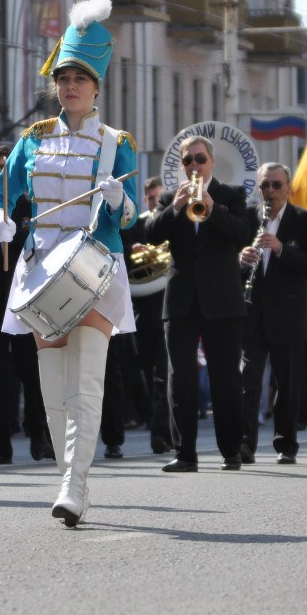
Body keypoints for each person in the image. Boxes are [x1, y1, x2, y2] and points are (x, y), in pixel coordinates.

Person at [0, 0, 139, 526]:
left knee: (87, 381)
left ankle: (76, 484)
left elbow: (132, 214)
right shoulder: (31, 140)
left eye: (79, 79)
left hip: (97, 266)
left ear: (96, 86)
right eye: (63, 78)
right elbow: (0, 194)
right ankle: (66, 473)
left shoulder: (116, 143)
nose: (69, 86)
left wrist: (119, 201)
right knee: (51, 388)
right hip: (41, 268)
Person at [147, 134, 249, 474]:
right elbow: (150, 233)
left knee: (225, 379)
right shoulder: (168, 198)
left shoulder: (231, 195)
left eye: (199, 159)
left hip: (223, 301)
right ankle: (185, 452)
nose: (194, 165)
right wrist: (176, 208)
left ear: (212, 162)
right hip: (181, 302)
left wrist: (211, 206)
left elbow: (241, 234)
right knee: (181, 379)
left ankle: (231, 450)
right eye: (187, 160)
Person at [0, 146, 50, 465]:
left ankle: (40, 439)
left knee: (34, 377)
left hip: (26, 302)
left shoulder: (32, 206)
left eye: (5, 167)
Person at [238, 162, 307, 463]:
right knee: (249, 382)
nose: (270, 192)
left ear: (289, 187)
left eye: (276, 185)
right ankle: (245, 444)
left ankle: (286, 445)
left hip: (288, 314)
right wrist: (241, 257)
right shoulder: (248, 217)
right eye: (265, 186)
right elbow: (228, 260)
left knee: (288, 385)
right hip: (253, 313)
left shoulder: (306, 221)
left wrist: (281, 249)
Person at [123, 177, 171, 451]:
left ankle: (161, 430)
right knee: (141, 370)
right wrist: (136, 252)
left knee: (163, 373)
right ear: (145, 200)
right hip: (142, 308)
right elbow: (127, 264)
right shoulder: (136, 225)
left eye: (158, 197)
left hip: (166, 305)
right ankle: (149, 418)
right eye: (151, 198)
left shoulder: (173, 222)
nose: (155, 202)